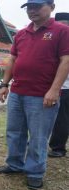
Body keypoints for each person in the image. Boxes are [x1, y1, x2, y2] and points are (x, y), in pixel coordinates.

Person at [0, 0, 69, 189]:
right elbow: (12, 58)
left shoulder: (62, 31)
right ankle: (15, 164)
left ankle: (35, 171)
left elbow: (66, 60)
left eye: (37, 6)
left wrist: (53, 90)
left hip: (42, 95)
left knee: (38, 136)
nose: (32, 11)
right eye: (29, 7)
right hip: (17, 93)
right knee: (14, 133)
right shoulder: (21, 33)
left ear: (51, 7)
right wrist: (4, 84)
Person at [48, 12, 69, 158]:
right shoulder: (53, 39)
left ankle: (58, 147)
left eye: (64, 24)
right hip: (49, 85)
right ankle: (39, 140)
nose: (61, 27)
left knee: (62, 118)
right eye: (59, 24)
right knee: (43, 116)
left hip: (66, 87)